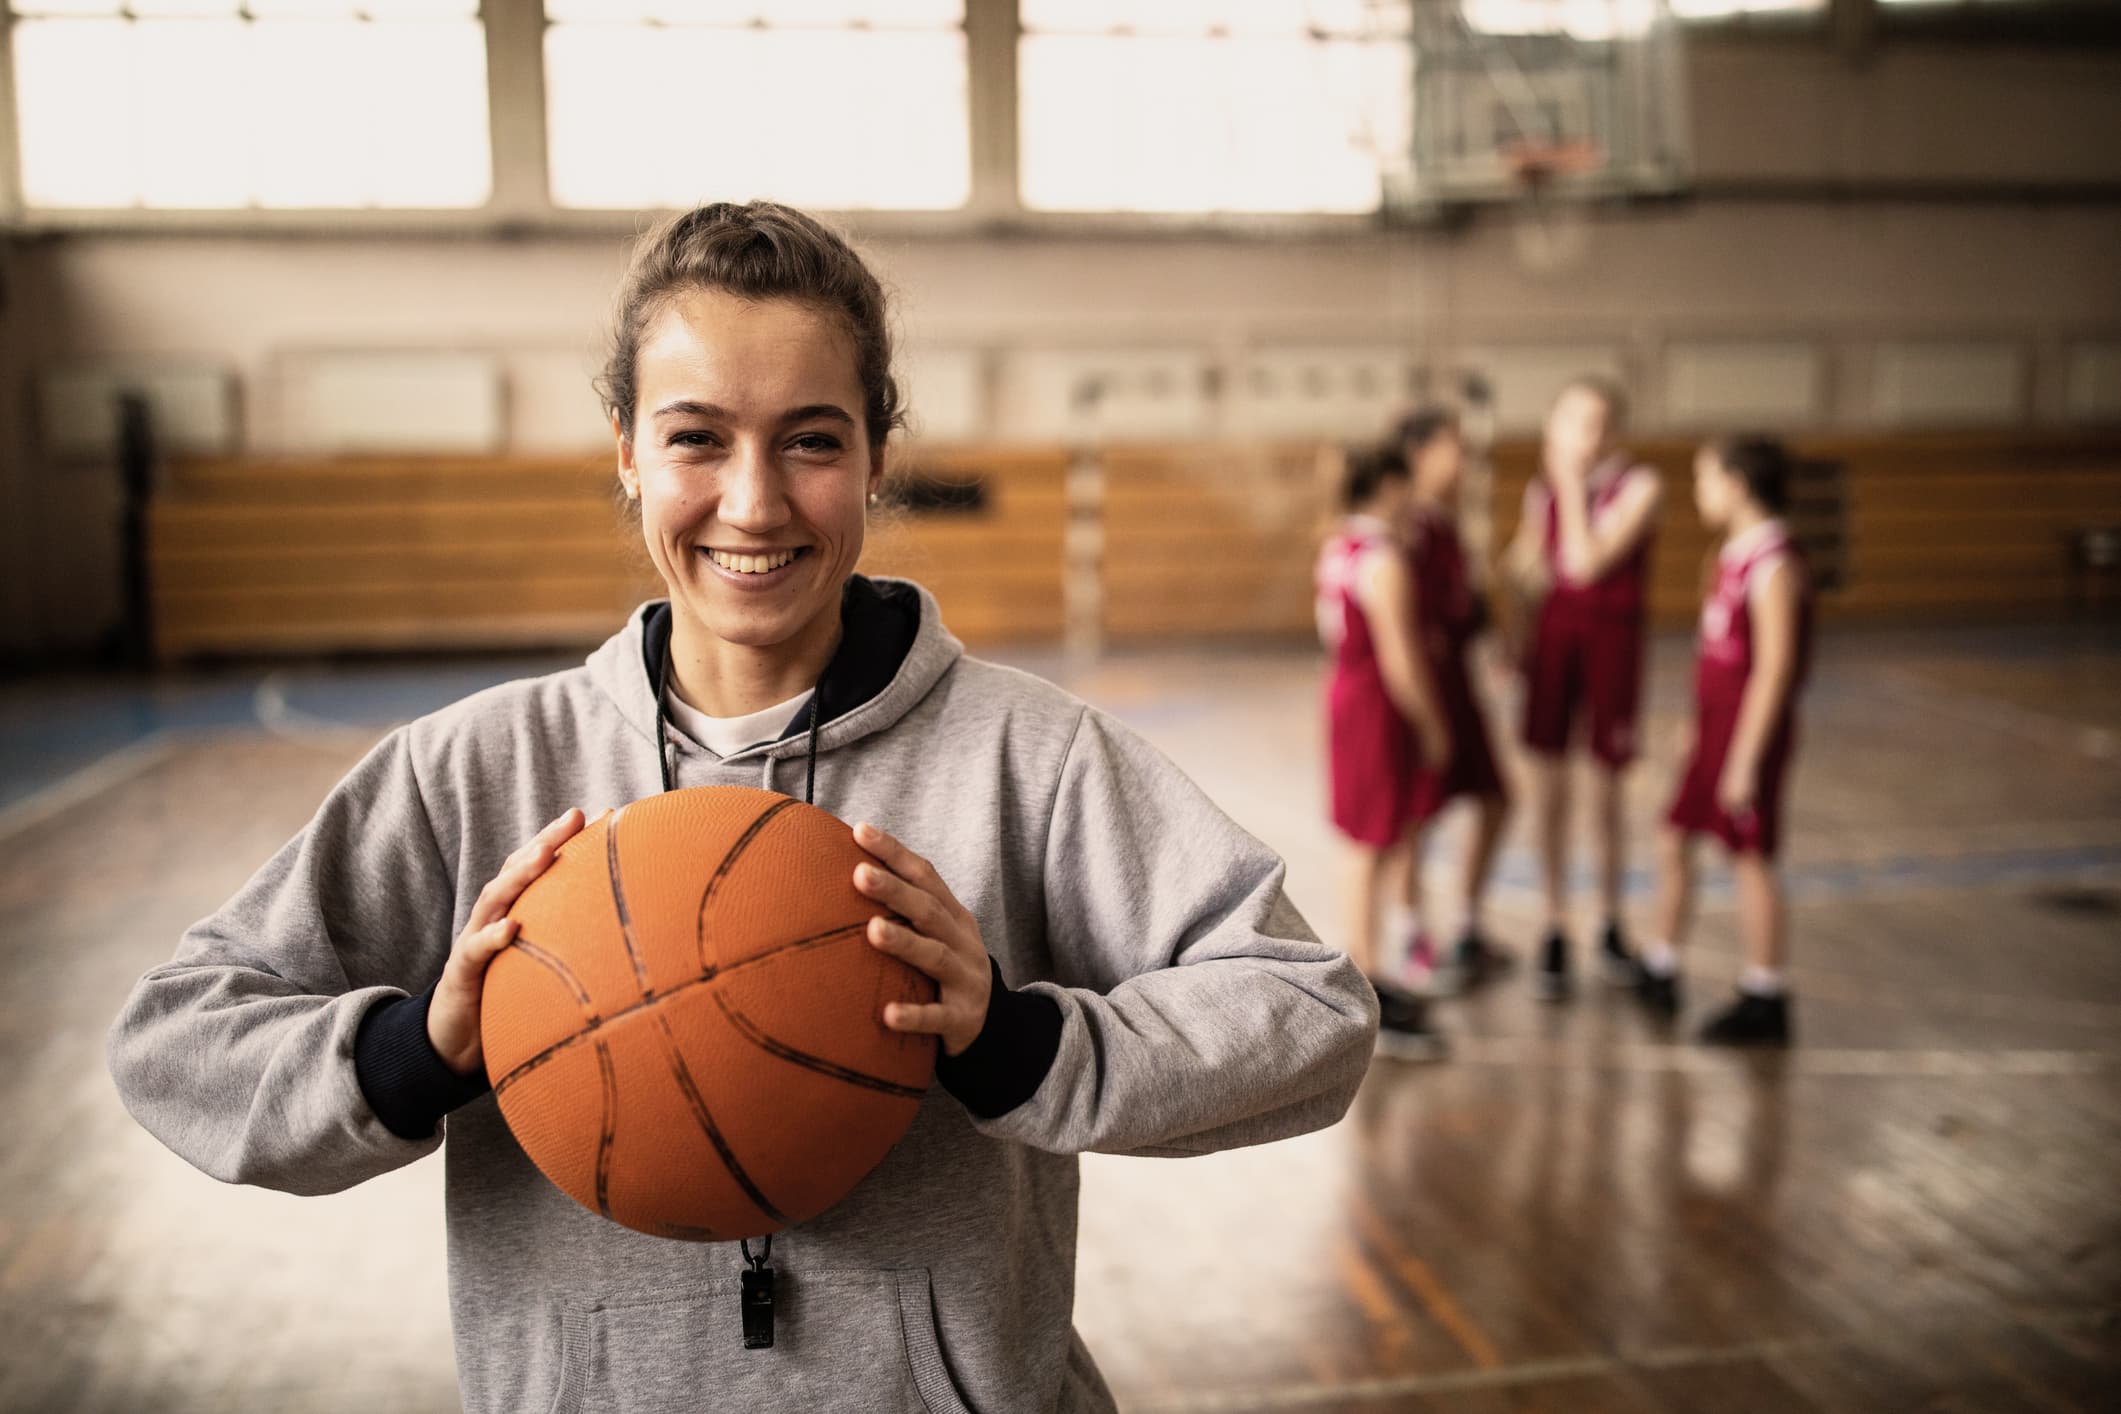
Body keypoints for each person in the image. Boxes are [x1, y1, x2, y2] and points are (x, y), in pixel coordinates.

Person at [107, 201, 1378, 1414]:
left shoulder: (1028, 759)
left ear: (877, 454)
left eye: (813, 439)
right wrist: (419, 1053)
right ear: (627, 450)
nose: (756, 502)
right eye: (697, 437)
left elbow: (1311, 1012)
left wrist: (1018, 1045)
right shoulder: (476, 771)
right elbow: (174, 1043)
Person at [1639, 435, 1813, 1045]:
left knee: (1750, 855)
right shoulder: (1730, 554)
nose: (1699, 491)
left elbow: (1774, 669)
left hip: (1748, 735)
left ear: (1738, 483)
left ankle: (1767, 991)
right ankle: (1660, 963)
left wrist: (1744, 758)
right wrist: (1695, 729)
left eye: (1706, 478)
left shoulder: (1774, 565)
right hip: (1714, 729)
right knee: (1672, 838)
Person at [1501, 377, 1662, 1002]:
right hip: (1554, 648)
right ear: (1552, 428)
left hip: (1612, 648)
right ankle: (1554, 922)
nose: (1583, 436)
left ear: (1613, 431)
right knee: (1550, 788)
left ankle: (1611, 920)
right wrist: (1509, 618)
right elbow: (1533, 569)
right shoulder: (1543, 494)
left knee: (1606, 791)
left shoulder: (1640, 488)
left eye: (1595, 422)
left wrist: (1567, 484)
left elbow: (1586, 562)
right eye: (1571, 422)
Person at [1315, 443, 1449, 1060]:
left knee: (1370, 841)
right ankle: (1367, 982)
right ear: (1391, 486)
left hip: (1346, 693)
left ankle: (1372, 973)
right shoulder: (1385, 559)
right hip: (1378, 706)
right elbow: (1401, 658)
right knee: (1373, 843)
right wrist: (1431, 723)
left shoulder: (1338, 547)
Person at [1392, 407, 1513, 994]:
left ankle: (1466, 922)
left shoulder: (1445, 522)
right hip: (1425, 690)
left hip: (1459, 686)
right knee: (1416, 816)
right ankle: (1411, 933)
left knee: (1495, 799)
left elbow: (1464, 605)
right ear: (1420, 452)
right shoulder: (1402, 524)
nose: (1464, 460)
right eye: (1453, 447)